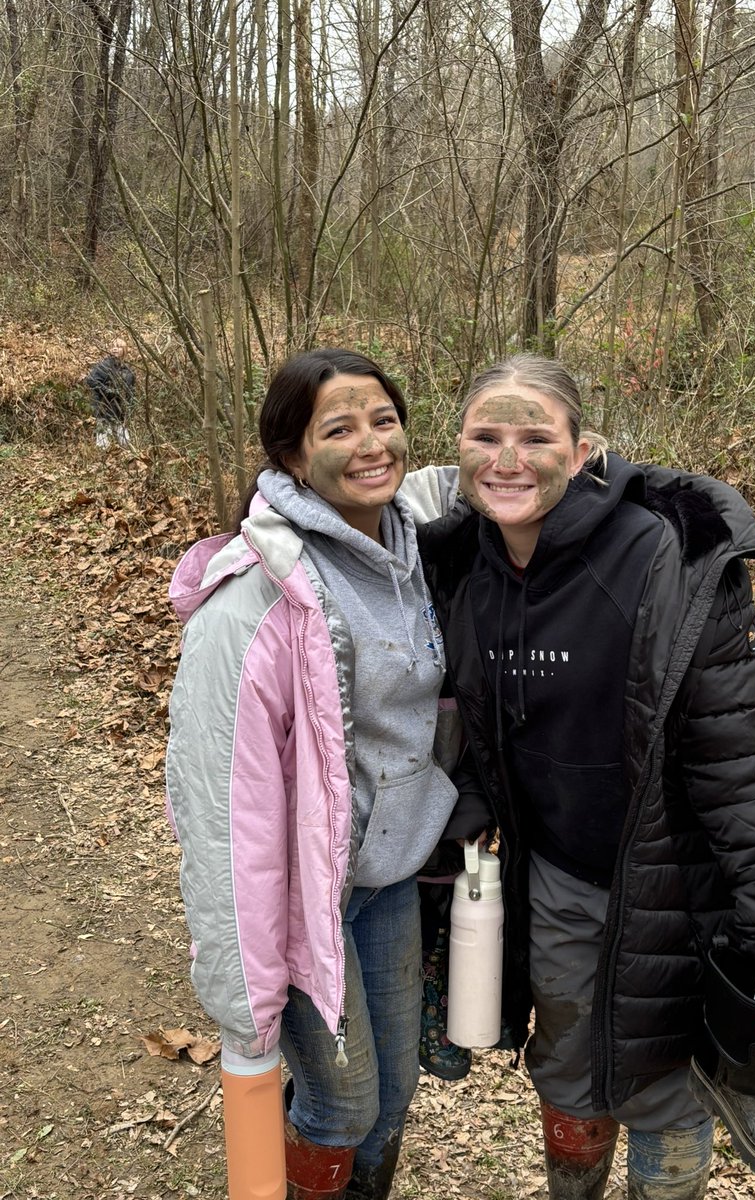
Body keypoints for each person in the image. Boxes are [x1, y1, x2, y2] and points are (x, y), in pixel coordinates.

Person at [408, 354, 755, 1198]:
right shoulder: (458, 564)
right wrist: (474, 804)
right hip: (554, 878)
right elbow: (483, 718)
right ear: (456, 450)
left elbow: (736, 764)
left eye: (535, 436)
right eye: (486, 436)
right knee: (569, 1072)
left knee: (669, 1091)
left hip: (677, 887)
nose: (508, 458)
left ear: (584, 446)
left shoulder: (673, 557)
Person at [166, 349, 477, 1200]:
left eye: (384, 420)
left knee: (395, 1094)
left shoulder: (406, 535)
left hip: (392, 877)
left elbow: (477, 474)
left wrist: (604, 467)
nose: (372, 443)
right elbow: (219, 811)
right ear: (293, 457)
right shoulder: (255, 601)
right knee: (342, 1108)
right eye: (339, 428)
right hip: (308, 900)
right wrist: (243, 1007)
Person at [84, 338, 135, 447]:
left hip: (120, 412)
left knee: (126, 443)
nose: (115, 349)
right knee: (103, 443)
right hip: (103, 407)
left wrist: (129, 407)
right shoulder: (104, 366)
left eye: (119, 346)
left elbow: (130, 392)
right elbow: (91, 380)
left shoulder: (128, 371)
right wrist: (107, 391)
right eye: (113, 346)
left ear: (124, 350)